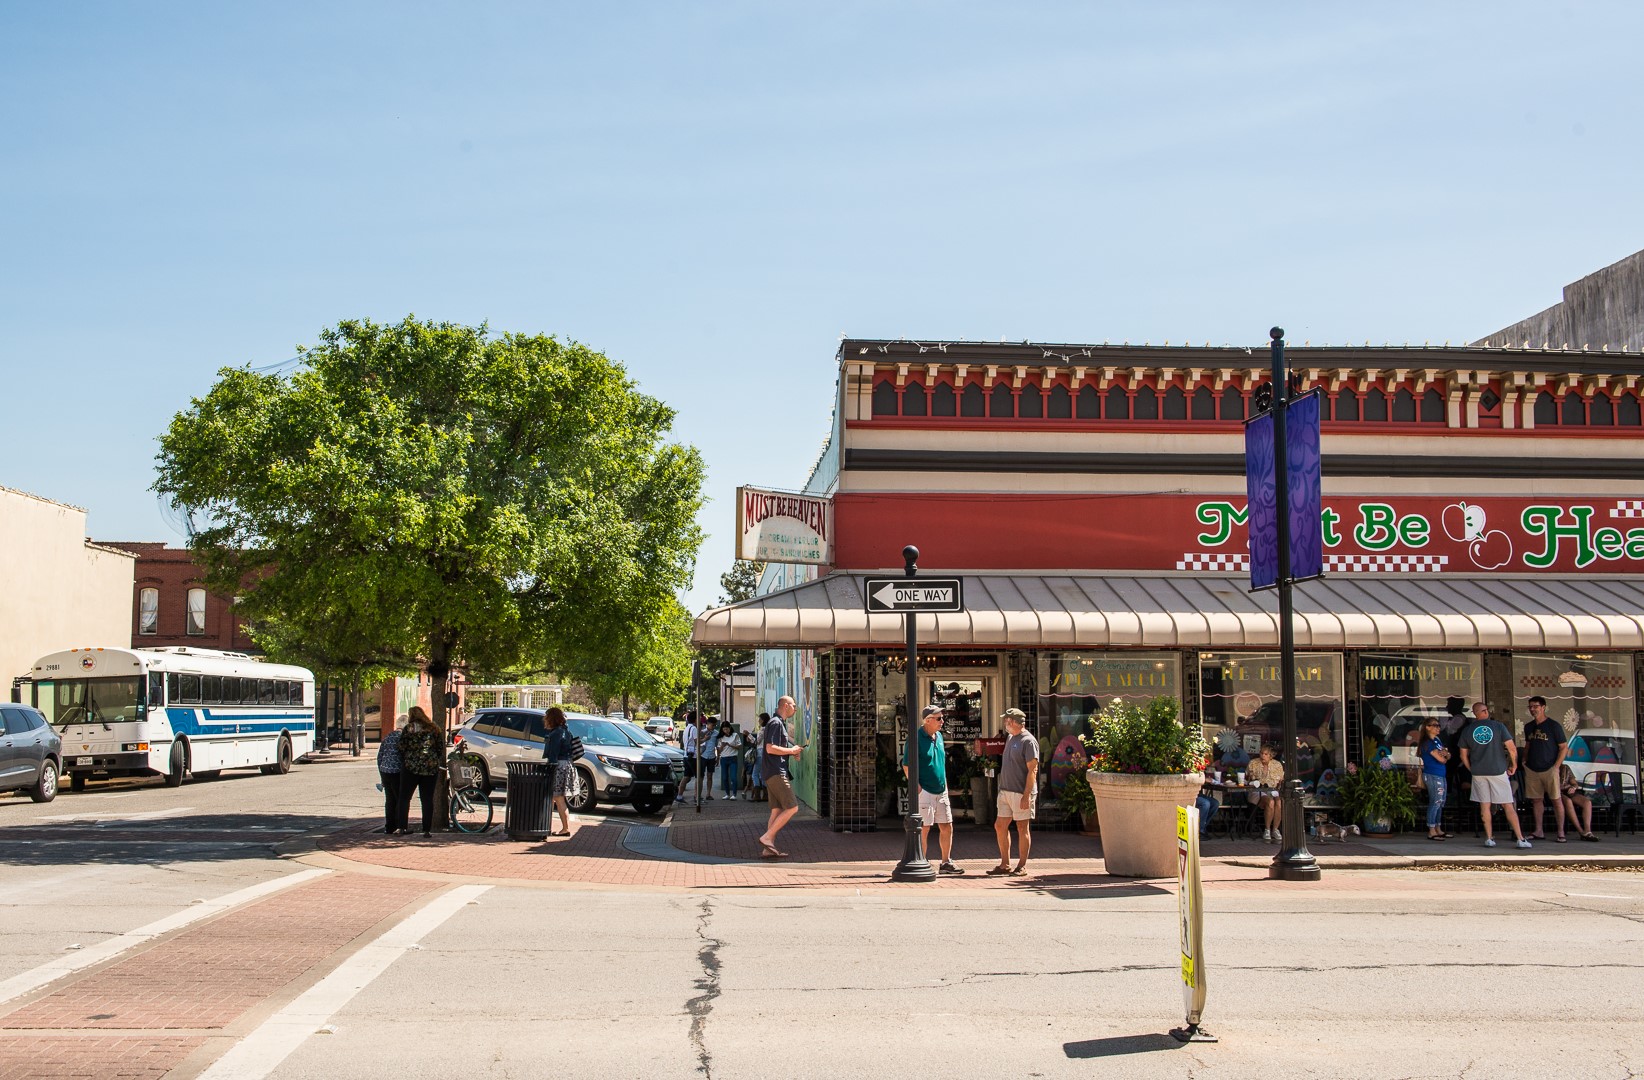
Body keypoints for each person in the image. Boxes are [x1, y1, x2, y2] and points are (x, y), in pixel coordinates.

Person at [1460, 701, 1530, 849]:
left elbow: (1463, 755)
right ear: (1486, 711)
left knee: (1484, 805)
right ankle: (1520, 838)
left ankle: (1489, 838)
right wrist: (1514, 765)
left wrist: (1471, 768)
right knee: (1507, 805)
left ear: (1474, 713)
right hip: (1497, 770)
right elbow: (1511, 748)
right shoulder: (1498, 726)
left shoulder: (1467, 730)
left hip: (1478, 772)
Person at [906, 704, 964, 875]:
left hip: (941, 789)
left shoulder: (938, 736)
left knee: (947, 825)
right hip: (925, 790)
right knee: (924, 827)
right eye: (939, 719)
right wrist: (916, 786)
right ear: (928, 720)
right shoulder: (916, 738)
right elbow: (907, 765)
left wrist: (944, 783)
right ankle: (922, 861)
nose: (942, 721)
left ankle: (946, 862)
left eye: (942, 718)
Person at [989, 708, 1038, 876]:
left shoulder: (1028, 741)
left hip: (1020, 791)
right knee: (1000, 825)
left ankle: (1022, 865)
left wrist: (1026, 795)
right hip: (1005, 791)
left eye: (1008, 721)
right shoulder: (1010, 737)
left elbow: (1033, 770)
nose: (1005, 723)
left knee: (1022, 827)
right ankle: (1005, 864)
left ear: (1017, 722)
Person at [758, 697, 804, 856]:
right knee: (792, 807)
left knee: (776, 810)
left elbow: (775, 749)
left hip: (771, 772)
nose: (795, 709)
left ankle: (768, 849)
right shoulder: (776, 723)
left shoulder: (776, 723)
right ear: (786, 706)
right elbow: (770, 748)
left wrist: (792, 752)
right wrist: (791, 751)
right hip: (777, 772)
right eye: (794, 705)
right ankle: (767, 837)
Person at [1521, 695, 1569, 842]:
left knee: (1556, 799)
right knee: (1536, 800)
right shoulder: (1529, 726)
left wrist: (1556, 766)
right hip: (1532, 768)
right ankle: (1539, 830)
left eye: (1535, 706)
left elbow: (1563, 747)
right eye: (1530, 707)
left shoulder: (1553, 726)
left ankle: (1561, 832)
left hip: (1550, 768)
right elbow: (1528, 744)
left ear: (1543, 707)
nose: (1532, 709)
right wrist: (1524, 759)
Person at [397, 706, 443, 837]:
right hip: (430, 767)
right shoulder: (434, 728)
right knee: (427, 799)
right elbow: (440, 747)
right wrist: (434, 759)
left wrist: (407, 757)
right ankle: (427, 829)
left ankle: (402, 827)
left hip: (411, 767)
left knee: (405, 797)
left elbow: (401, 746)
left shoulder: (409, 728)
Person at [541, 706, 575, 837]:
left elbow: (553, 754)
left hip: (558, 767)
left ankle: (565, 828)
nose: (545, 720)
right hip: (567, 765)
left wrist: (549, 767)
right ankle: (549, 826)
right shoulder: (567, 732)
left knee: (558, 798)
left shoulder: (555, 734)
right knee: (557, 798)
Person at [1419, 718, 1453, 840]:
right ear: (1427, 727)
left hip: (1441, 773)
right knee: (1435, 801)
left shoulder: (1437, 740)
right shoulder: (1427, 742)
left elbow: (1447, 754)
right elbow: (1441, 758)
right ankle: (1431, 829)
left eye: (1439, 725)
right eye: (1435, 725)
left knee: (1441, 802)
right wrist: (1444, 755)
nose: (1438, 727)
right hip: (1432, 774)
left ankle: (1438, 828)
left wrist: (1445, 755)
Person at [1247, 744, 1284, 842]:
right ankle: (1267, 830)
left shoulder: (1277, 765)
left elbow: (1281, 780)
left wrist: (1279, 785)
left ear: (1271, 756)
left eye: (1266, 754)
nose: (1263, 756)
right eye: (1261, 753)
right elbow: (1248, 779)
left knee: (1279, 802)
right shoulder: (1253, 763)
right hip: (1256, 791)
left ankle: (1275, 830)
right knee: (1270, 802)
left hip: (1273, 790)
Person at [376, 715, 406, 835]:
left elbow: (380, 756)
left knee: (390, 800)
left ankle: (389, 827)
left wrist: (381, 774)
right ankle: (400, 826)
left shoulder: (388, 736)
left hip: (385, 771)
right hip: (397, 772)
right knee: (400, 799)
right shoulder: (403, 738)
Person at [1559, 762, 1599, 842]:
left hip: (1568, 791)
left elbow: (1574, 783)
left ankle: (1587, 831)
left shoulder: (1565, 768)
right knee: (1568, 801)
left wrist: (1573, 787)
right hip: (1557, 793)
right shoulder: (1549, 768)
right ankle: (1581, 831)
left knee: (1587, 803)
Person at [676, 710, 699, 803]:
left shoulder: (686, 728)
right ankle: (697, 797)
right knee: (699, 777)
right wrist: (705, 739)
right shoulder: (694, 729)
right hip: (693, 756)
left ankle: (679, 796)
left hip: (686, 755)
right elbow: (697, 741)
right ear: (695, 719)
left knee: (687, 776)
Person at [746, 713, 769, 802]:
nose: (758, 721)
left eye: (759, 719)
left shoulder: (762, 730)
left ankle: (757, 795)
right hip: (767, 753)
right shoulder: (769, 729)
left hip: (760, 752)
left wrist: (748, 734)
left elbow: (757, 742)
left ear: (763, 720)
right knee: (762, 773)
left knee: (755, 774)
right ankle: (765, 795)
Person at [716, 720, 741, 800]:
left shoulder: (735, 735)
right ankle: (727, 794)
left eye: (727, 729)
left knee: (733, 777)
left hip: (733, 757)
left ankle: (734, 794)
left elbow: (739, 747)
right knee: (725, 777)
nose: (725, 731)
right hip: (724, 758)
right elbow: (719, 750)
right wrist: (722, 746)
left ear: (730, 728)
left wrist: (730, 745)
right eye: (724, 729)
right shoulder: (721, 737)